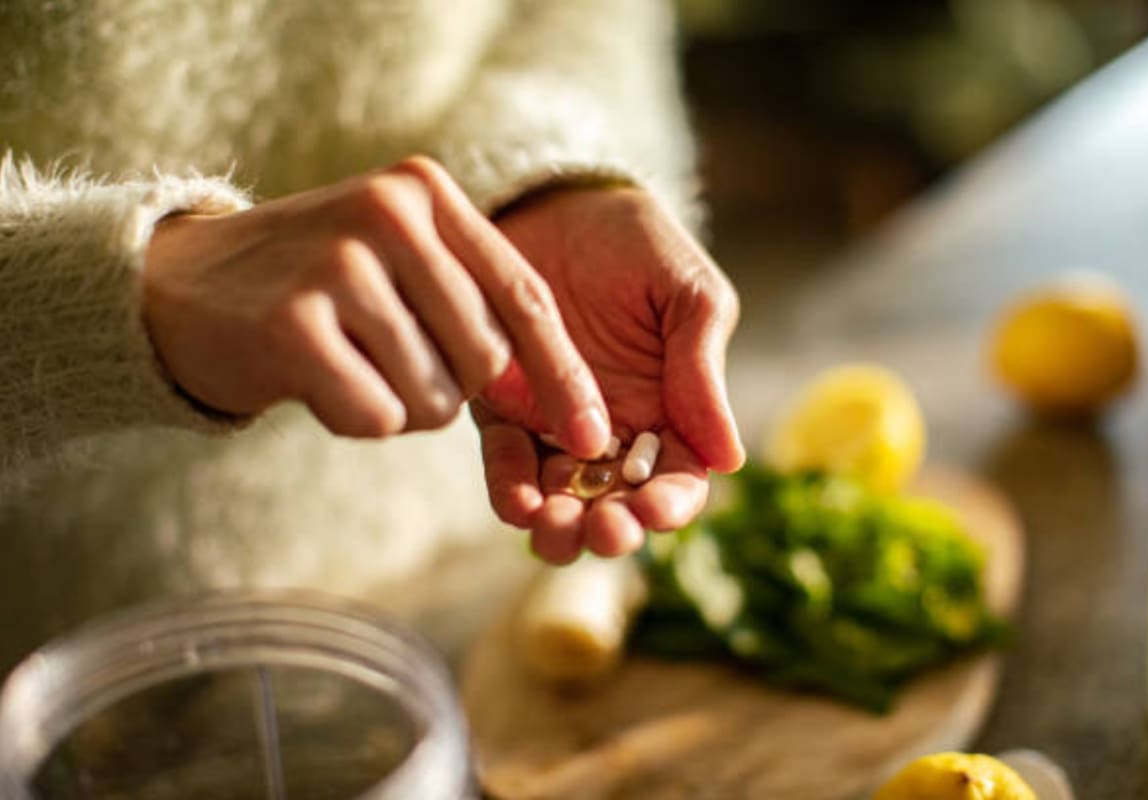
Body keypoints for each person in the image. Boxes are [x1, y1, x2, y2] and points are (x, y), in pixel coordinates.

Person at [0, 0, 742, 660]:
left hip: (456, 534)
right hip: (65, 627)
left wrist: (538, 179)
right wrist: (114, 294)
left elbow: (588, 17)